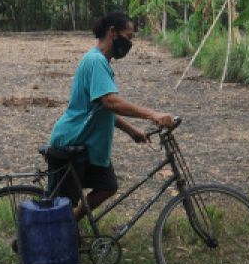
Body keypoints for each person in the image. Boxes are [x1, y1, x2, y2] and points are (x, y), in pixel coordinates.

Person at [47, 12, 176, 219]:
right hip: (73, 141)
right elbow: (110, 101)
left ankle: (71, 225)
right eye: (128, 36)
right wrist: (153, 114)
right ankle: (51, 238)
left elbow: (101, 108)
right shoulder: (96, 61)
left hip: (86, 144)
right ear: (112, 33)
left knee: (107, 186)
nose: (130, 43)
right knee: (61, 205)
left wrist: (132, 131)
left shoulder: (100, 61)